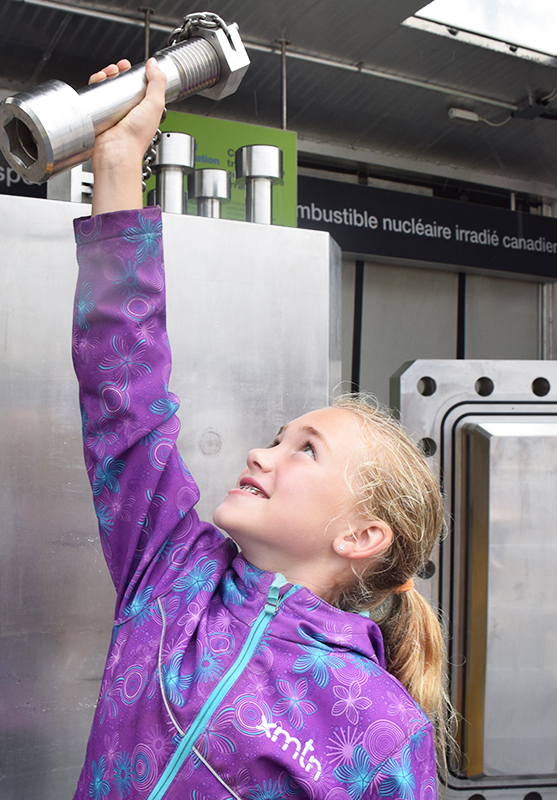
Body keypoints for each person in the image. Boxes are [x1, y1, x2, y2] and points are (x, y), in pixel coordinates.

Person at [70, 57, 451, 800]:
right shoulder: (172, 574)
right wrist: (117, 165)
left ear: (360, 536)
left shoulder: (380, 729)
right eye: (279, 437)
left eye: (303, 450)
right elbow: (123, 395)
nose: (261, 453)